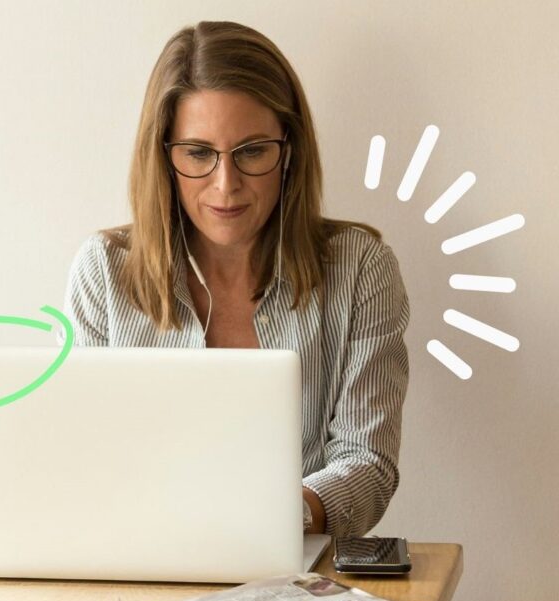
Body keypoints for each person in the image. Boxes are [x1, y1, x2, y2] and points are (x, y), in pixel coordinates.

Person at [58, 21, 409, 538]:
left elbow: (368, 464)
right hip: (137, 565)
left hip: (297, 573)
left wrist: (275, 518)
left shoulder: (360, 268)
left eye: (251, 151)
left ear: (288, 150)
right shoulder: (104, 271)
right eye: (199, 153)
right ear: (164, 156)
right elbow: (77, 459)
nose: (226, 185)